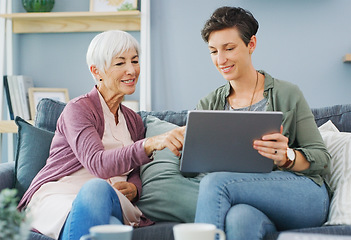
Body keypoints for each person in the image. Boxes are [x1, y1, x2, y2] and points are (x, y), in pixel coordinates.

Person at [17, 30, 185, 240]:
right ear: (97, 71)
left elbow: (135, 169)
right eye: (120, 63)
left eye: (134, 61)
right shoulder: (78, 110)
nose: (131, 70)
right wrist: (149, 144)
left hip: (111, 198)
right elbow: (98, 164)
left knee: (100, 197)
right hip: (62, 195)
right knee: (108, 219)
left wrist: (134, 187)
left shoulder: (132, 120)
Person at [194, 6, 331, 240]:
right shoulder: (208, 104)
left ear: (251, 44)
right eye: (213, 51)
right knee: (240, 219)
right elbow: (196, 169)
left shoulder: (287, 93)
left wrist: (286, 156)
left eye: (229, 48)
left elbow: (322, 159)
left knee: (215, 183)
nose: (221, 59)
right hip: (245, 198)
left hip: (301, 195)